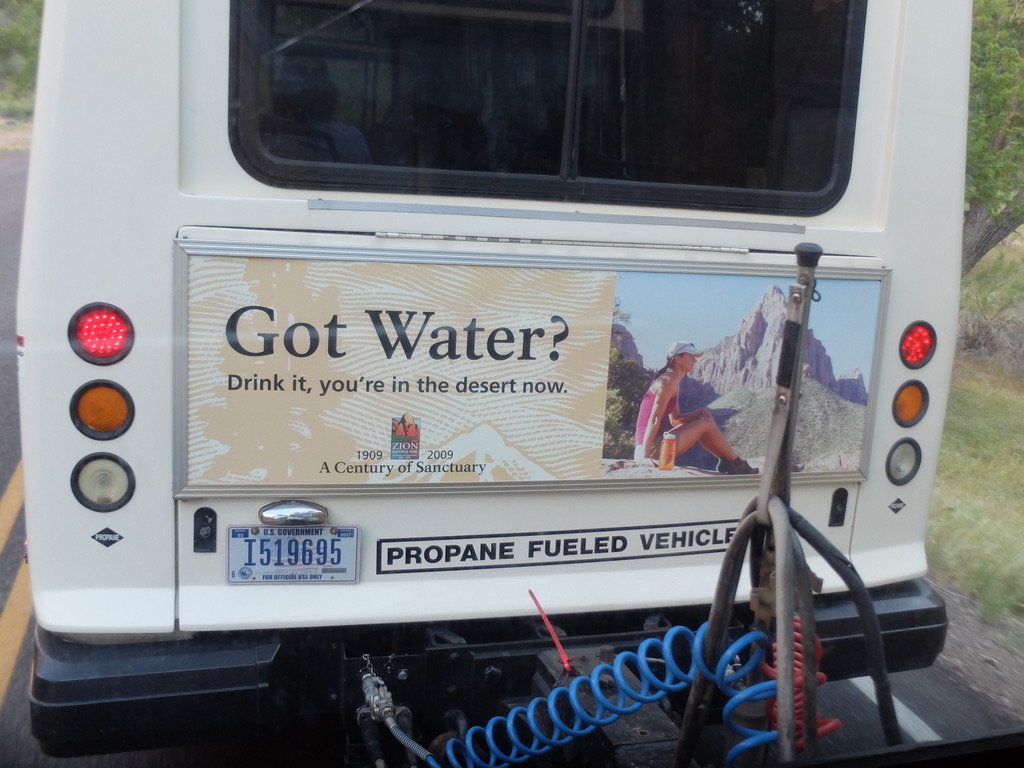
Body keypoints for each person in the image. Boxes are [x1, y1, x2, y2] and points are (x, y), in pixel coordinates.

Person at [634, 341, 757, 474]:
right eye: (691, 357)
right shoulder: (668, 382)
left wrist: (698, 413)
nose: (695, 361)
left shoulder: (672, 381)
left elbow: (675, 420)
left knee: (704, 422)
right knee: (706, 424)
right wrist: (644, 455)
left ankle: (729, 462)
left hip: (654, 444)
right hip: (651, 447)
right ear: (677, 359)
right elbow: (654, 419)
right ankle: (736, 464)